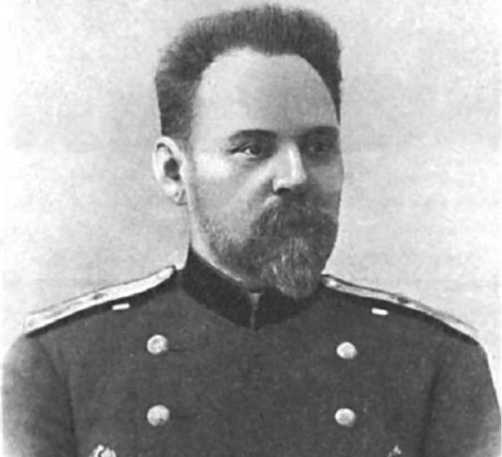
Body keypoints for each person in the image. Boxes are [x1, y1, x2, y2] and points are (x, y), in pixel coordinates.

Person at [3, 5, 500, 457]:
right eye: (253, 149)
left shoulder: (435, 363)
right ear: (174, 172)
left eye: (319, 147)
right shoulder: (59, 363)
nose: (296, 176)